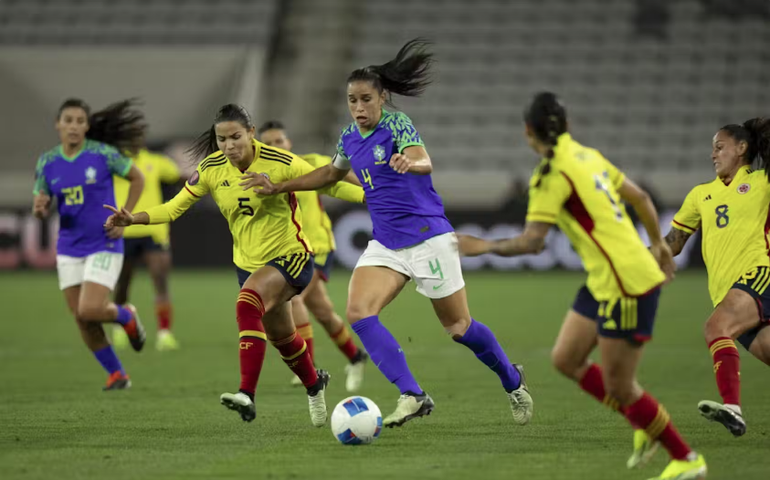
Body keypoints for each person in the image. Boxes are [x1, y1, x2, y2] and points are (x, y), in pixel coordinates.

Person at [240, 39, 533, 429]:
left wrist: (408, 163)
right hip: (386, 243)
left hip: (428, 238)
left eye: (366, 99)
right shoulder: (348, 137)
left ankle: (513, 381)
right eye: (352, 100)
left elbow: (423, 161)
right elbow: (330, 174)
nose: (359, 108)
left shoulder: (397, 124)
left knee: (459, 329)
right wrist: (280, 186)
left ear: (382, 98)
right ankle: (412, 394)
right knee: (359, 313)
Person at [457, 93, 707, 480]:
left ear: (528, 132)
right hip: (604, 279)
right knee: (566, 359)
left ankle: (686, 457)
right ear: (566, 125)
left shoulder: (550, 175)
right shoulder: (588, 155)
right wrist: (658, 244)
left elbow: (533, 242)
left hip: (627, 283)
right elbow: (640, 197)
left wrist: (481, 246)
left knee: (620, 386)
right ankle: (645, 424)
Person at [104, 104, 365, 426]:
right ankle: (314, 384)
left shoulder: (280, 161)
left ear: (251, 133)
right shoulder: (212, 168)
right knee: (283, 338)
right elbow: (173, 209)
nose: (229, 145)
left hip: (290, 255)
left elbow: (328, 183)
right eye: (222, 139)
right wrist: (134, 218)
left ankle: (247, 394)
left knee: (246, 304)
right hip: (248, 264)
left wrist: (372, 199)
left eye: (235, 137)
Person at [663, 118, 770, 437]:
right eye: (712, 148)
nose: (713, 154)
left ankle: (733, 409)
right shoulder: (700, 195)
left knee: (715, 327)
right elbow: (673, 243)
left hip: (760, 274)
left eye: (720, 147)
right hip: (728, 292)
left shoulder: (763, 182)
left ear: (742, 148)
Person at [32, 98, 147, 391]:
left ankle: (126, 315)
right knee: (82, 318)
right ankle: (117, 374)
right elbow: (41, 204)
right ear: (58, 124)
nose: (73, 126)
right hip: (69, 247)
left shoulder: (103, 154)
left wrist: (126, 217)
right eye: (68, 120)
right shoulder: (47, 162)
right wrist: (41, 208)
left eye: (80, 121)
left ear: (87, 126)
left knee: (90, 309)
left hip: (104, 241)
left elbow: (137, 178)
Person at [257, 121, 369, 392]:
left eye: (279, 141)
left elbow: (338, 183)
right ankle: (356, 357)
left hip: (316, 247)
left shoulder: (310, 164)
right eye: (268, 144)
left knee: (293, 298)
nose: (275, 146)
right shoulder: (261, 178)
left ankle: (308, 365)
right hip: (289, 252)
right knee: (323, 312)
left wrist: (369, 194)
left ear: (289, 143)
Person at [112, 146, 183, 352]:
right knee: (122, 284)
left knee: (160, 281)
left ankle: (164, 333)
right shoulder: (112, 162)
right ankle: (119, 328)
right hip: (124, 231)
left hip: (153, 229)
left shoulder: (156, 161)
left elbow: (178, 175)